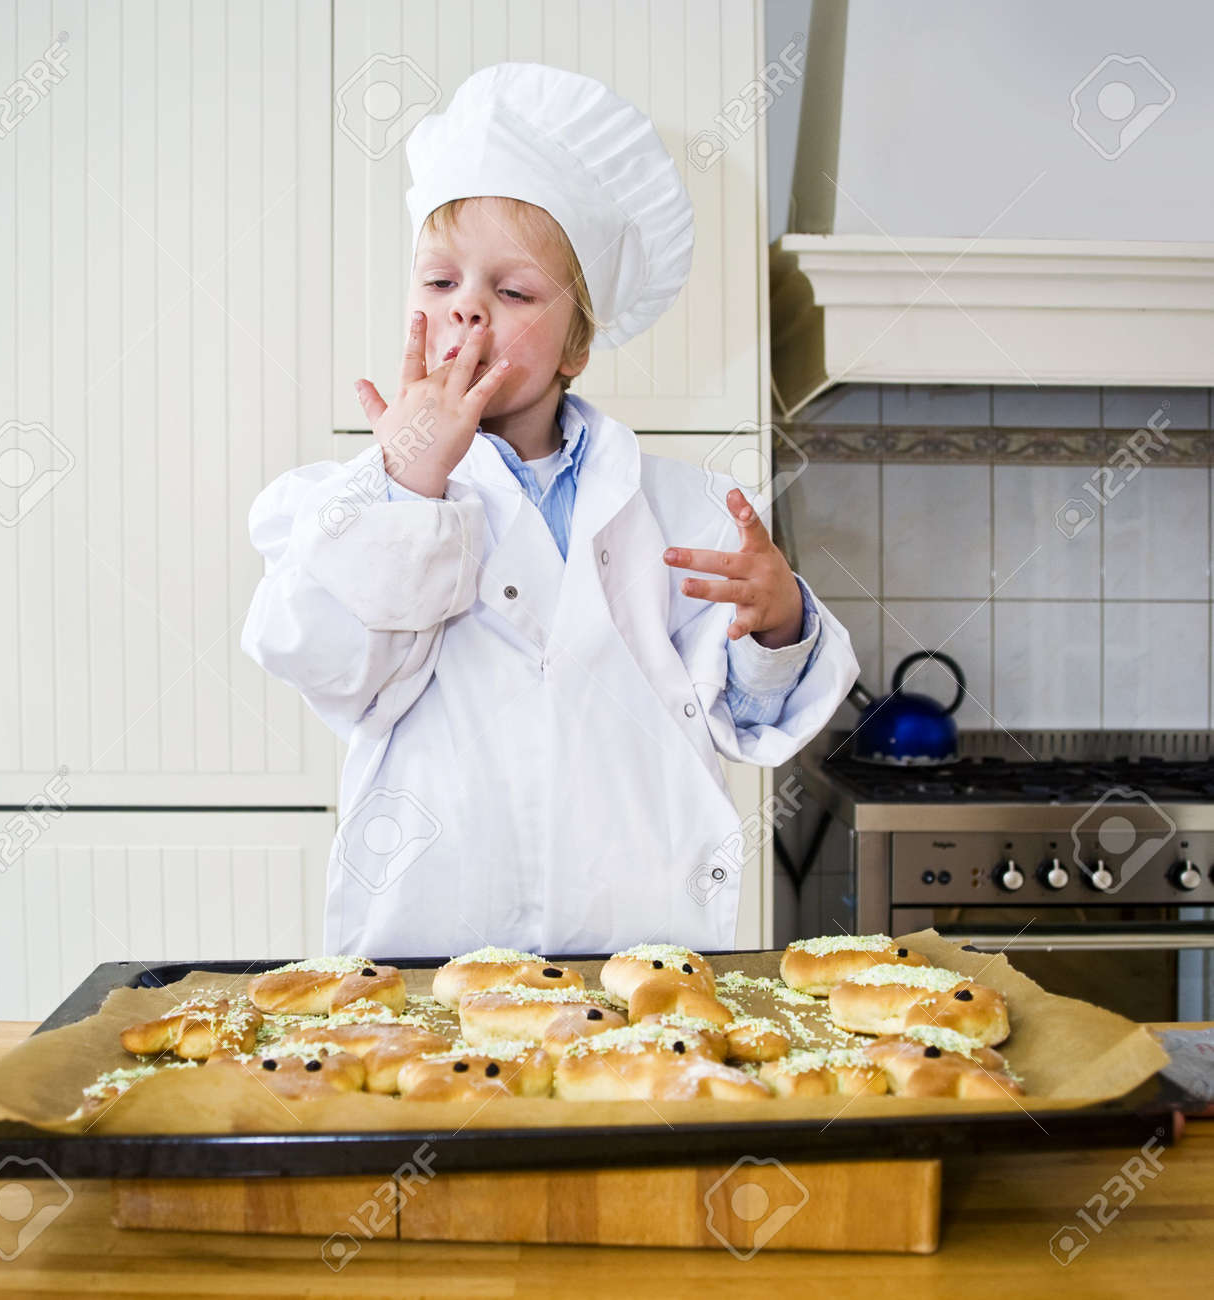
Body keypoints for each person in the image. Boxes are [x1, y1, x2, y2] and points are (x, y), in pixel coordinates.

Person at [241, 62, 858, 958]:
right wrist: (404, 486)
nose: (469, 316)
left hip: (640, 934)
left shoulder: (686, 511)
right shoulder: (340, 502)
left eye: (514, 291)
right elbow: (324, 661)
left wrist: (779, 625)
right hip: (431, 937)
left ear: (576, 345)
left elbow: (747, 719)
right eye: (440, 282)